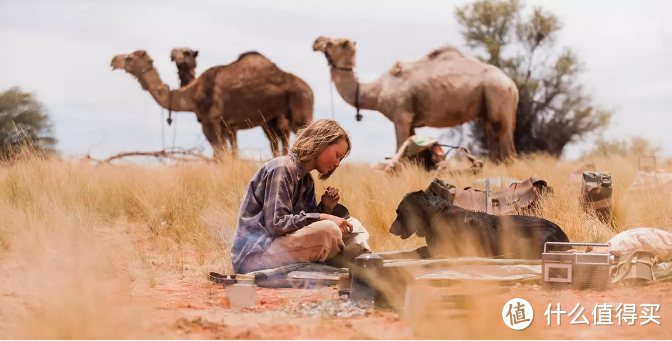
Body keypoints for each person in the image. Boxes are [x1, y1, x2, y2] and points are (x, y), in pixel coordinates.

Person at [231, 119, 371, 274]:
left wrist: (326, 208)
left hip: (278, 248)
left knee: (353, 225)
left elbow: (306, 226)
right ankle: (350, 263)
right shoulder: (282, 169)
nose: (338, 164)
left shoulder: (306, 180)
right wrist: (323, 216)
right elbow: (277, 225)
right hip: (255, 254)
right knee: (329, 229)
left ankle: (367, 266)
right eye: (337, 155)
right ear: (320, 143)